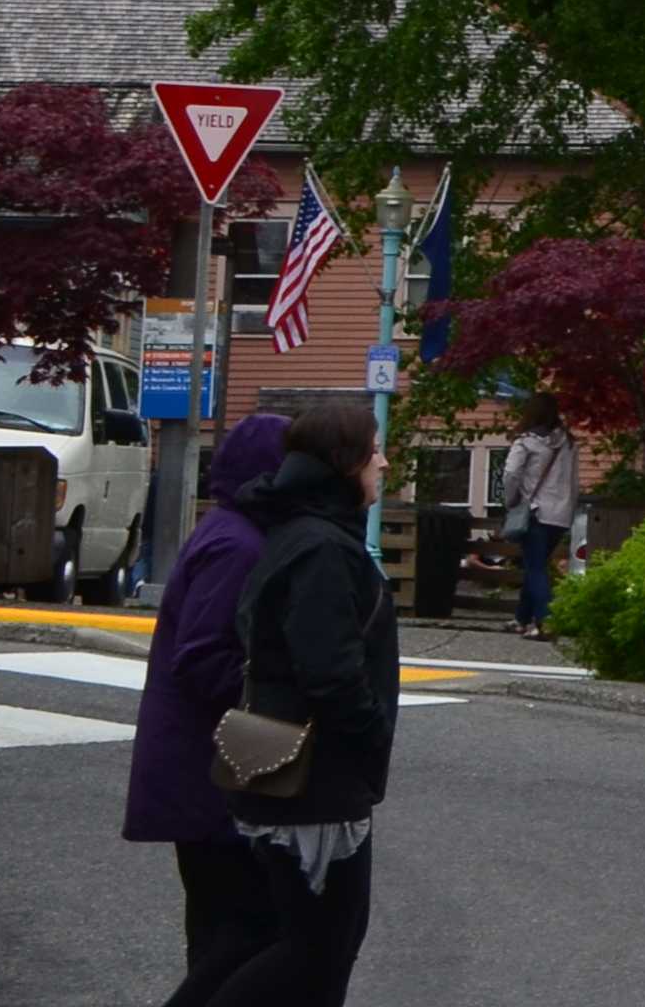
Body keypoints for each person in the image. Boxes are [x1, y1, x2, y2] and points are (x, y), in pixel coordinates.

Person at [219, 399, 399, 1007]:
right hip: (313, 780)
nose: (384, 461)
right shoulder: (321, 545)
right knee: (317, 946)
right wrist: (371, 731)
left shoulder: (299, 531)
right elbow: (328, 669)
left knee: (323, 947)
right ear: (343, 461)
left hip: (303, 772)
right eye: (374, 450)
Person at [125, 412, 295, 1007]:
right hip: (207, 770)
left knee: (221, 926)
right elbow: (202, 656)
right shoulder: (237, 544)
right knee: (260, 924)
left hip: (197, 765)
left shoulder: (232, 530)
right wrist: (282, 699)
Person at [497, 392, 582, 637]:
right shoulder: (568, 443)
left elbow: (511, 474)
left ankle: (546, 621)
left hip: (534, 512)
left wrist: (511, 500)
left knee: (535, 568)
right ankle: (520, 619)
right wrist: (570, 509)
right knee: (537, 566)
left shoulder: (526, 440)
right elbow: (574, 481)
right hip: (561, 514)